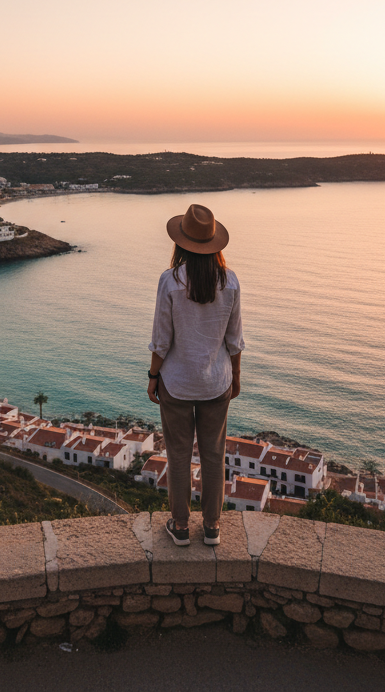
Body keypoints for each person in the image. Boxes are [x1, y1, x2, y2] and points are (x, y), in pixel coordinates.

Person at [147, 203, 244, 546]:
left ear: (181, 243)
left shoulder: (170, 281)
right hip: (216, 383)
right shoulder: (229, 281)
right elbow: (234, 339)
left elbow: (161, 339)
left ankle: (181, 525)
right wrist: (235, 376)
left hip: (177, 383)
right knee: (214, 455)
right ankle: (213, 527)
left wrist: (153, 375)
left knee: (178, 454)